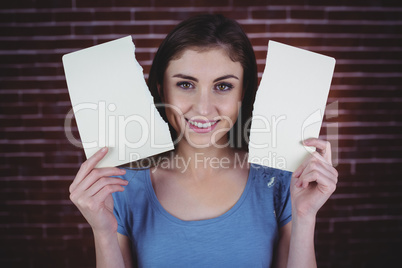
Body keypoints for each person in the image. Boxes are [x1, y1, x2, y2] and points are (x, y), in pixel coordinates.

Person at [69, 14, 338, 268]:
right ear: (162, 88)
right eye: (186, 84)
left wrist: (304, 216)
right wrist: (103, 231)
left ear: (242, 92)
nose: (204, 108)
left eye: (223, 86)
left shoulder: (280, 181)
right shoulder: (121, 186)